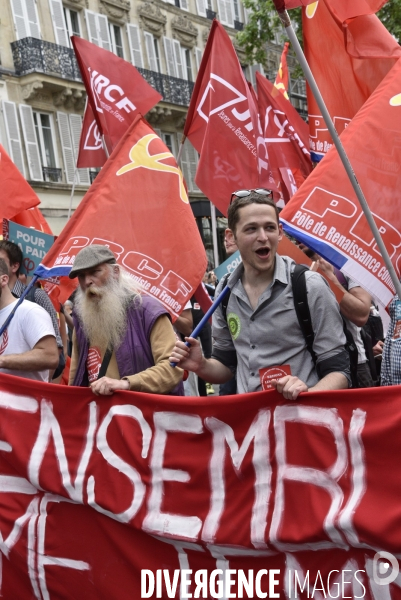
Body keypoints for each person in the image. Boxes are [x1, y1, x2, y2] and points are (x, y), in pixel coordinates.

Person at [170, 190, 350, 400]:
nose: (263, 237)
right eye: (251, 229)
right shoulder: (225, 291)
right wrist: (201, 365)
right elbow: (226, 367)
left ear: (280, 232)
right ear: (231, 237)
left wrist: (307, 394)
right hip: (252, 427)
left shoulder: (309, 286)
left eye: (270, 228)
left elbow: (340, 371)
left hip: (301, 423)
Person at [68, 245, 184, 395]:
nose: (87, 281)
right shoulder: (82, 318)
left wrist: (127, 383)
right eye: (81, 276)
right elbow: (75, 375)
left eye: (94, 272)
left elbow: (172, 368)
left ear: (115, 272)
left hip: (143, 414)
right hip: (100, 416)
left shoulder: (147, 311)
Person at [0, 241, 64, 375]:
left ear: (3, 280)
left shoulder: (30, 311)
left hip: (27, 395)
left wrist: (3, 361)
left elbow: (51, 356)